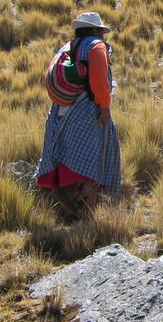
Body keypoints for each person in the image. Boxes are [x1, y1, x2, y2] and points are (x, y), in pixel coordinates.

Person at [36, 11, 121, 213]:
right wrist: (104, 108)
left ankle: (65, 210)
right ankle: (88, 217)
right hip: (86, 114)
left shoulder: (68, 48)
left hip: (60, 114)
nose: (102, 35)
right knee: (95, 164)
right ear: (94, 30)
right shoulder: (96, 47)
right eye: (100, 30)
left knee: (66, 160)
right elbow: (100, 82)